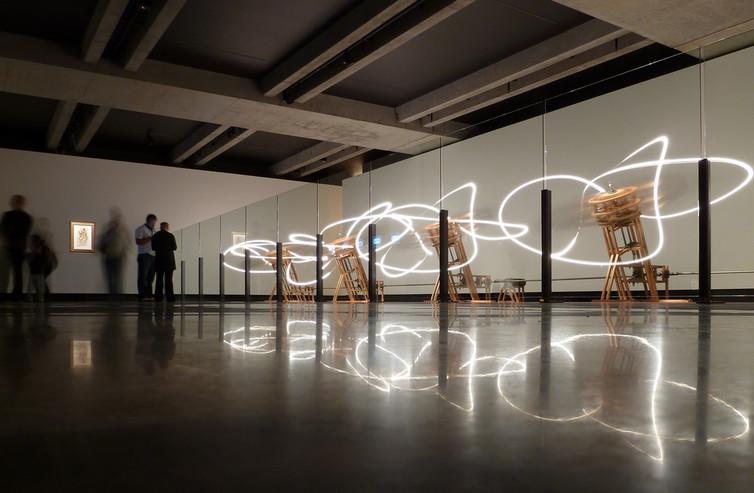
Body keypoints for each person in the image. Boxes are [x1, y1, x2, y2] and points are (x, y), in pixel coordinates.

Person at [1, 195, 33, 301]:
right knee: (16, 271)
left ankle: (14, 294)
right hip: (17, 247)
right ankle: (16, 295)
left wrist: (7, 239)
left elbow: (4, 230)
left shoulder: (9, 215)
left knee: (15, 271)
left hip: (14, 247)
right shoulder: (26, 217)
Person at [98, 208, 131, 297]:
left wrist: (124, 251)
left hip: (118, 257)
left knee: (117, 277)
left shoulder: (122, 230)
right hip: (109, 256)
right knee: (110, 277)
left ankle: (116, 295)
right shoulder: (108, 230)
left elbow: (127, 243)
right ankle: (113, 295)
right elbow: (102, 241)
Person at [151, 222, 177, 303]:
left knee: (159, 280)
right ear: (167, 227)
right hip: (169, 261)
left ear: (160, 227)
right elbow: (174, 247)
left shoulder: (155, 236)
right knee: (169, 280)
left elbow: (153, 248)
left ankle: (158, 298)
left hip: (159, 260)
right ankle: (170, 298)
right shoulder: (170, 235)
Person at [26, 235, 56, 302]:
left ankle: (40, 298)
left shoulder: (41, 250)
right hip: (37, 272)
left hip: (37, 272)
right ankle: (40, 298)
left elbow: (45, 260)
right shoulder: (40, 250)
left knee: (36, 286)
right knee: (36, 286)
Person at [135, 214, 157, 301]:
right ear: (148, 221)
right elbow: (138, 241)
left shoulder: (154, 230)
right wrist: (150, 238)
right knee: (143, 276)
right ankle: (142, 295)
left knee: (151, 277)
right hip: (144, 255)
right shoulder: (140, 229)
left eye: (155, 223)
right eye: (152, 222)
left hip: (153, 255)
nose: (154, 224)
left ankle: (149, 295)